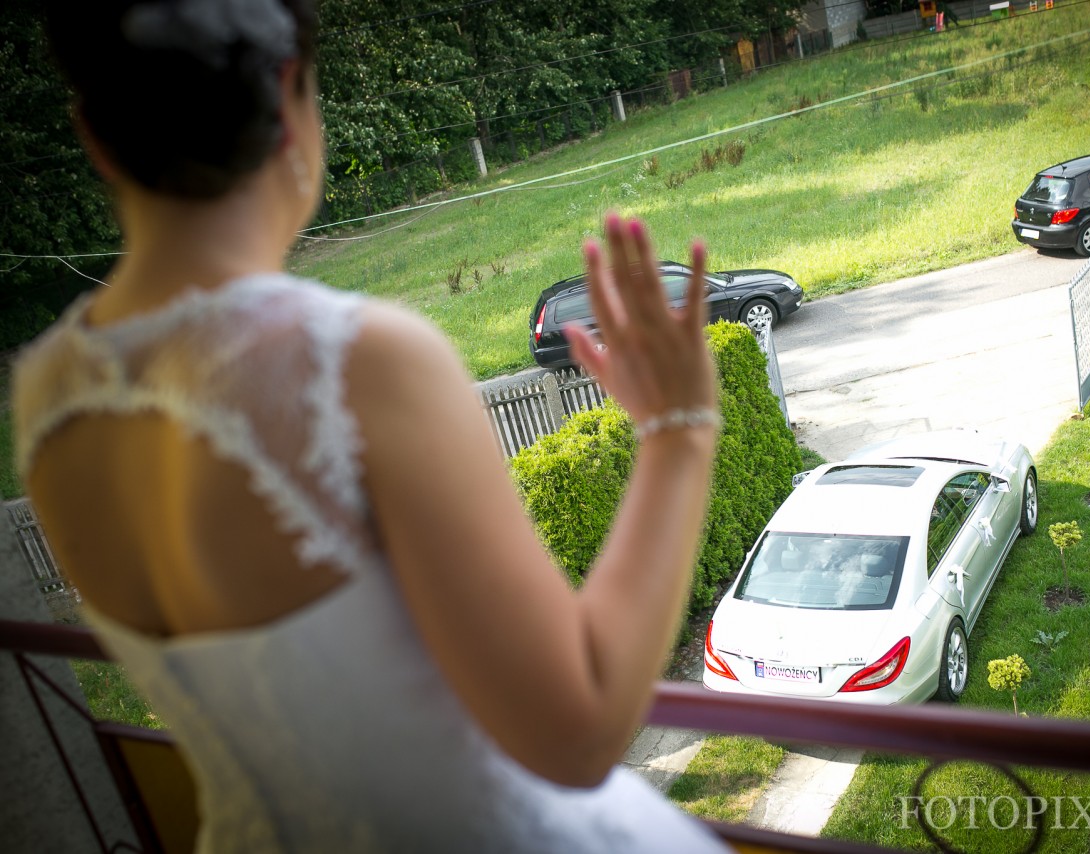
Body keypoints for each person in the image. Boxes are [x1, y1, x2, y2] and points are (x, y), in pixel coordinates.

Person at [14, 1, 729, 850]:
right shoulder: (353, 361)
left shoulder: (45, 390)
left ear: (92, 135)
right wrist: (680, 434)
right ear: (289, 99)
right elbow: (574, 734)